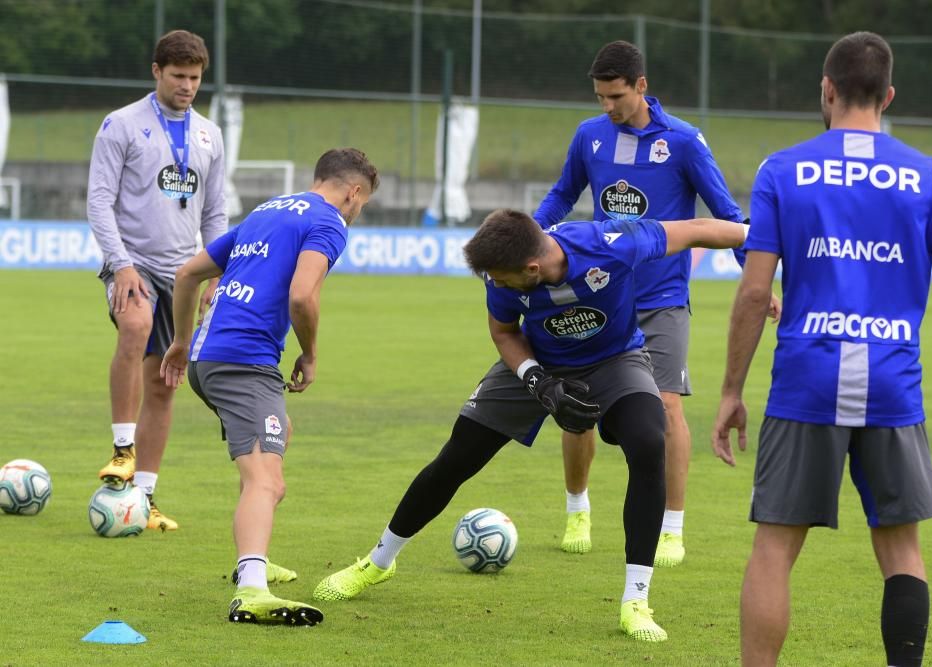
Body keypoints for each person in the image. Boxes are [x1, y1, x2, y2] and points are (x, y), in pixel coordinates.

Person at [312, 209, 748, 641]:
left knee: (650, 442)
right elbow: (504, 332)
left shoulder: (612, 244)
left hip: (615, 361)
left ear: (532, 267)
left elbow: (697, 230)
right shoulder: (498, 274)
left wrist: (773, 238)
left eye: (503, 278)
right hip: (537, 364)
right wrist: (538, 381)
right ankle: (378, 562)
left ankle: (635, 600)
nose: (496, 283)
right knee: (456, 457)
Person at [711, 32, 932, 667]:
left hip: (806, 376)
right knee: (900, 549)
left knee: (775, 548)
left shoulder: (783, 170)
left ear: (827, 90)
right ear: (888, 96)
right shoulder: (930, 175)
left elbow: (756, 293)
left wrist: (731, 390)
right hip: (893, 380)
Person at [535, 40, 779, 566]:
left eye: (615, 96)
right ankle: (578, 508)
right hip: (598, 294)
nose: (607, 107)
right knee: (576, 407)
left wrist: (759, 280)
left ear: (641, 86)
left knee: (666, 406)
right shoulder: (589, 137)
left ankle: (672, 526)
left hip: (663, 298)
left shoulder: (685, 143)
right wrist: (529, 236)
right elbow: (561, 196)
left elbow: (729, 214)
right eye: (599, 97)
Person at [160, 147, 379, 625]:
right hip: (243, 360)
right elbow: (303, 295)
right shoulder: (329, 222)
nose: (357, 212)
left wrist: (179, 342)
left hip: (207, 355)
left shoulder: (268, 209)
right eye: (362, 204)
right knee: (267, 478)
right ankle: (252, 588)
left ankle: (252, 558)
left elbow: (189, 274)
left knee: (272, 446)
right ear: (354, 192)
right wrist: (311, 352)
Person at [87, 29, 227, 531]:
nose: (187, 86)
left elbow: (215, 213)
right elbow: (99, 201)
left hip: (184, 271)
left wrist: (216, 271)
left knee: (165, 383)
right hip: (132, 261)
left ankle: (144, 500)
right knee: (134, 324)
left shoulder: (210, 135)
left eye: (194, 78)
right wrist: (120, 263)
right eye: (178, 76)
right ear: (156, 72)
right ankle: (122, 450)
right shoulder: (121, 125)